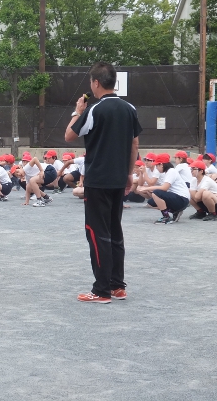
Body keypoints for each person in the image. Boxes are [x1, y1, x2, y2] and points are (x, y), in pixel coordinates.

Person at [64, 62, 141, 304]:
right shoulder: (129, 108)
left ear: (96, 83)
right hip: (119, 178)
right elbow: (134, 145)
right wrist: (129, 173)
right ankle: (118, 286)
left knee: (97, 234)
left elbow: (69, 136)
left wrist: (77, 111)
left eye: (91, 83)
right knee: (115, 231)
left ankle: (101, 290)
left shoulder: (95, 110)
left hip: (98, 180)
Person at [141, 154, 190, 224]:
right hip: (179, 198)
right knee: (151, 203)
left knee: (156, 193)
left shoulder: (171, 171)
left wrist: (148, 188)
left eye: (157, 166)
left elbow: (164, 188)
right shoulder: (167, 172)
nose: (156, 168)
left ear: (161, 165)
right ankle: (175, 211)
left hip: (182, 199)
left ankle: (166, 216)